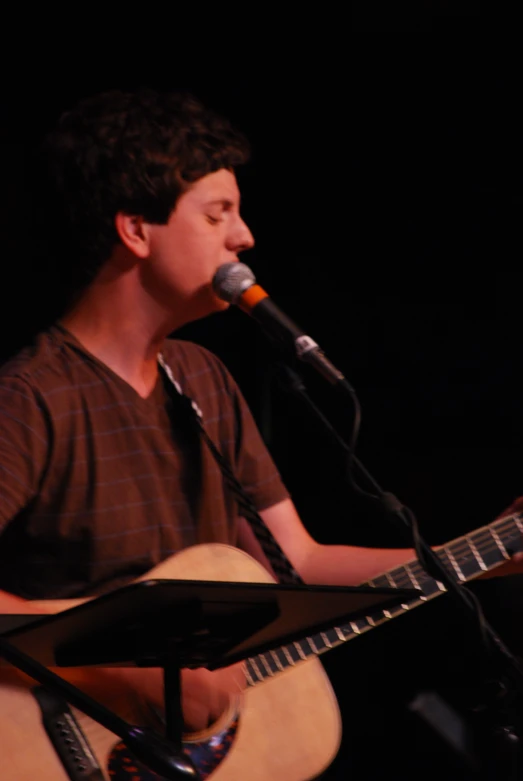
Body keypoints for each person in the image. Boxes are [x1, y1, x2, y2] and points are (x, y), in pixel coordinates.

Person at [1, 88, 522, 771]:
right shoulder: (30, 396)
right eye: (218, 214)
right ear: (135, 230)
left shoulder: (202, 378)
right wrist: (121, 674)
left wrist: (491, 553)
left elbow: (298, 564)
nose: (243, 237)